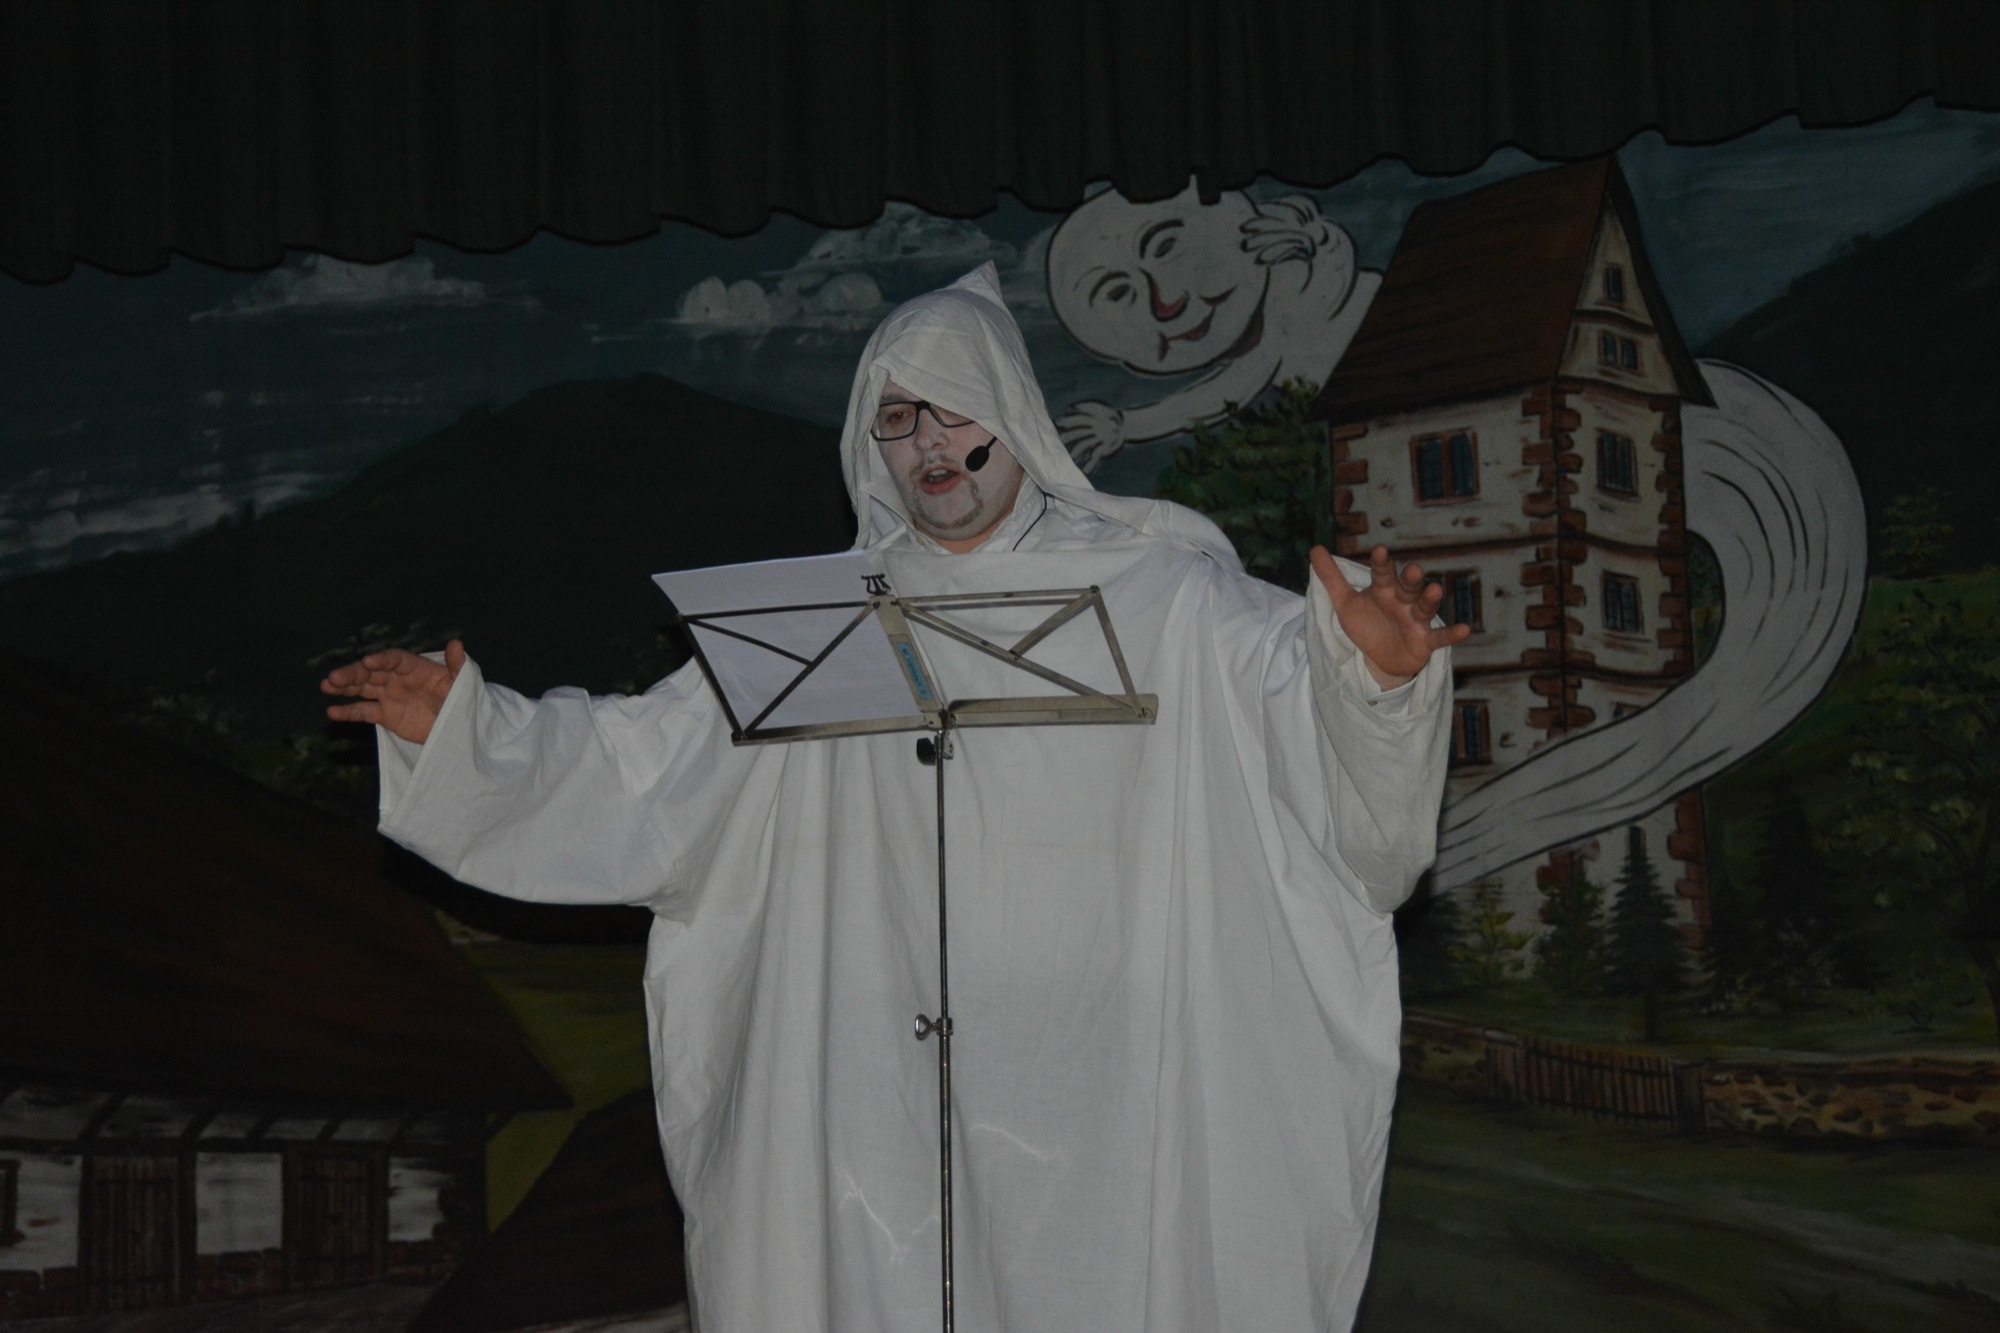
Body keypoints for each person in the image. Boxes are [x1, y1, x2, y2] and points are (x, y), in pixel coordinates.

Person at [323, 263, 1465, 1332]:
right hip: (881, 1108)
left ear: (1013, 417)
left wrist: (1371, 680)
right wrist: (468, 735)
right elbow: (638, 765)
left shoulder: (1167, 599)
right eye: (899, 418)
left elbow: (1304, 729)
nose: (929, 442)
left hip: (1101, 1090)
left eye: (954, 411)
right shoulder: (816, 626)